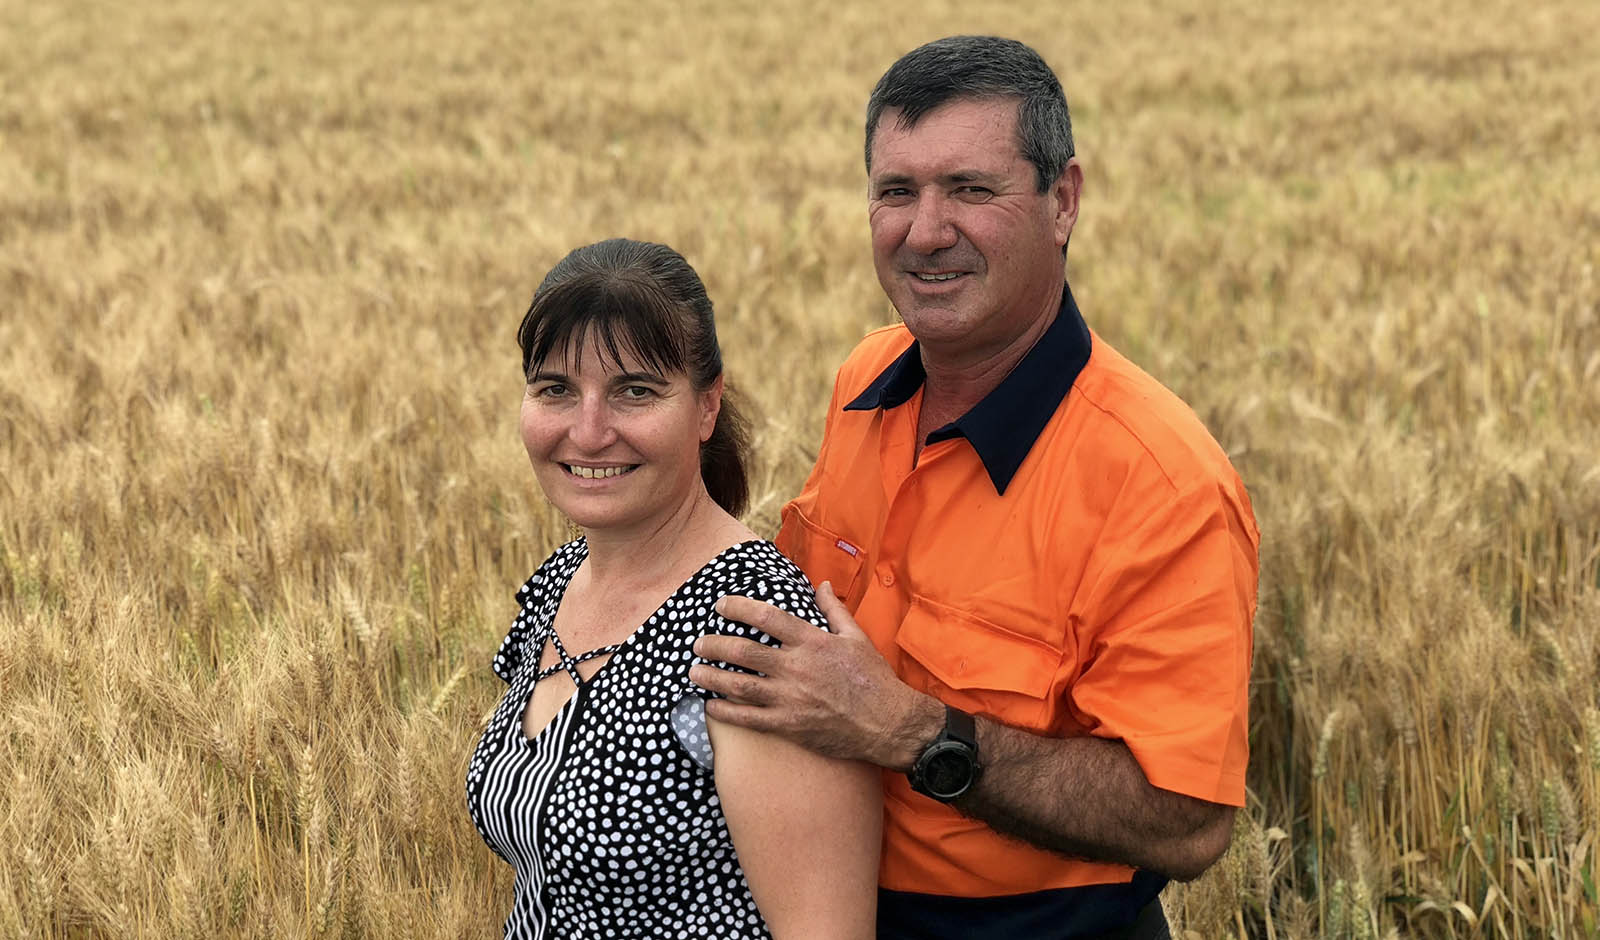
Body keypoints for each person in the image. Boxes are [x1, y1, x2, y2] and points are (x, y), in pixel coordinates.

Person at [690, 36, 1260, 939]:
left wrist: (917, 733)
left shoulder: (1161, 486)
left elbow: (1187, 821)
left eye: (970, 188)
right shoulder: (864, 383)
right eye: (896, 191)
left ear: (1062, 200)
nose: (925, 231)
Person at [465, 238, 881, 940]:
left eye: (635, 391)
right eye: (555, 389)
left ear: (706, 407)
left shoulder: (748, 630)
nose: (588, 432)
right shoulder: (559, 584)